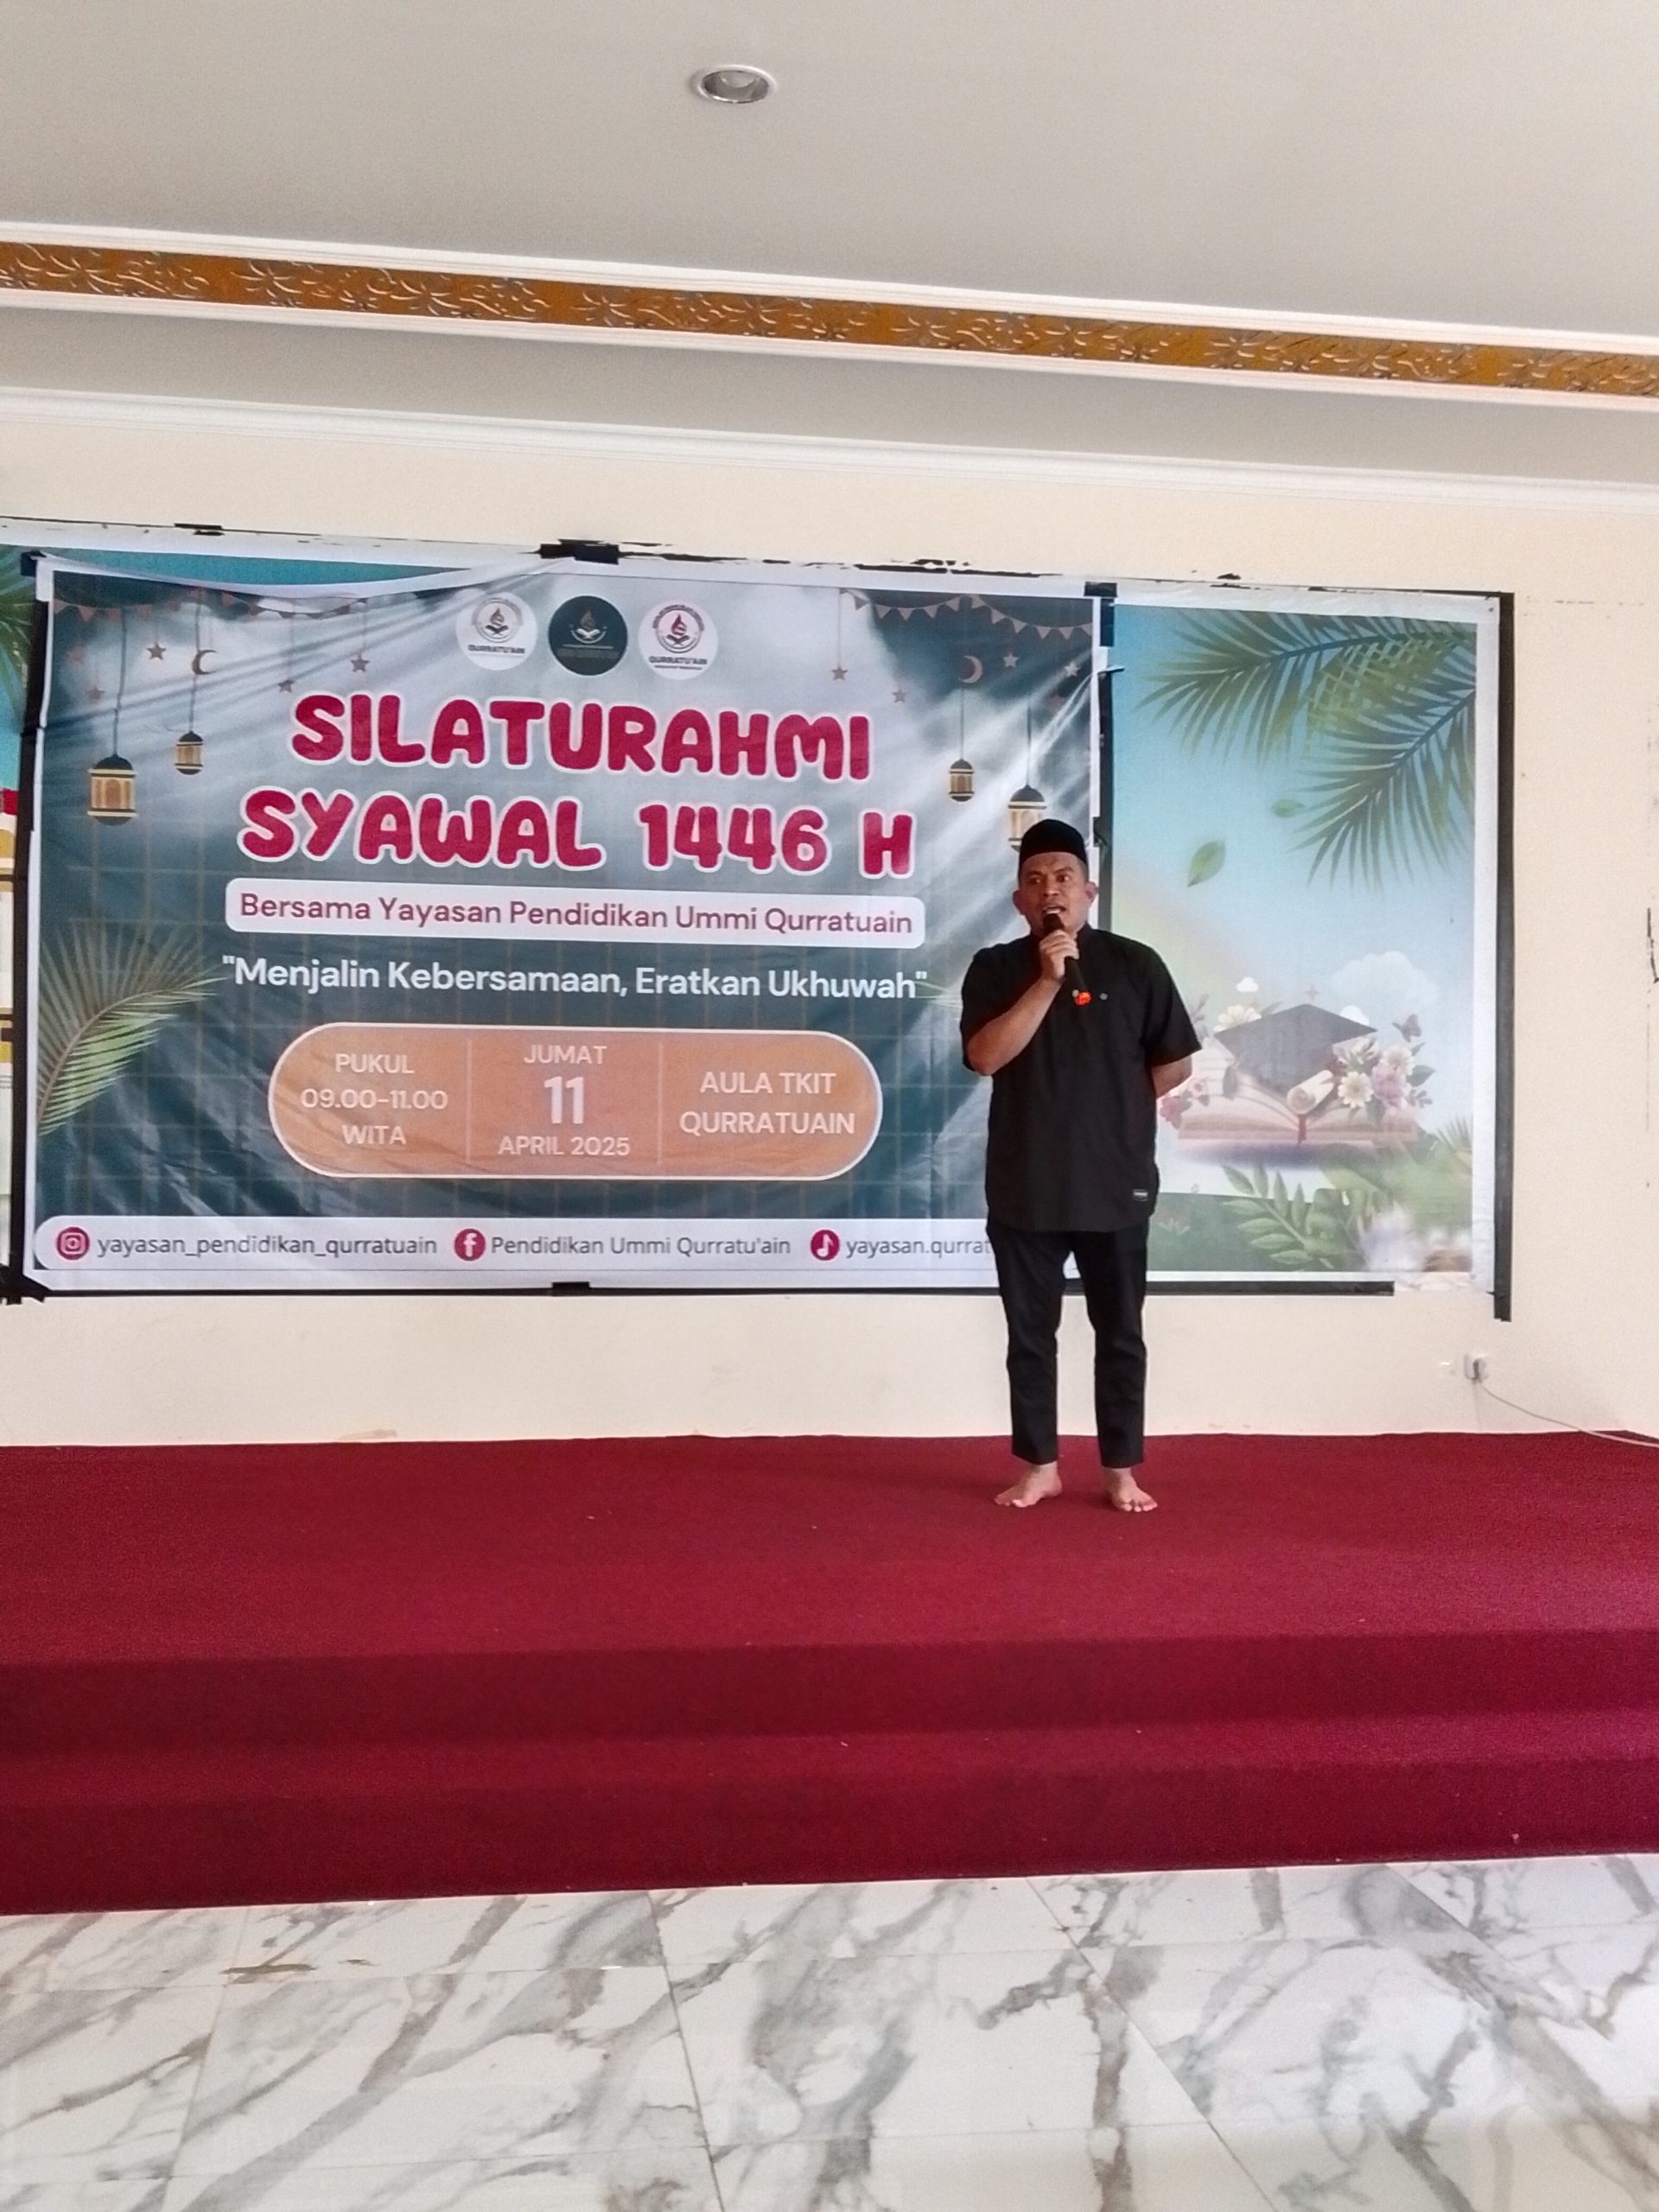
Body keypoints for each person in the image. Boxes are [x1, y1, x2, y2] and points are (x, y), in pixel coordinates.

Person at [961, 819, 1199, 1513]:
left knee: (1120, 1336)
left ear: (1089, 892)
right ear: (1019, 900)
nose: (1050, 891)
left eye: (1064, 878)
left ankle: (1120, 1468)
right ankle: (1040, 1466)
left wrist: (1111, 1109)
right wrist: (1046, 981)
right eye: (1035, 881)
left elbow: (1175, 1063)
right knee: (1029, 1339)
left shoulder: (1136, 964)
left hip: (1114, 1184)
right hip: (1025, 1186)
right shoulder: (995, 969)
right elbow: (985, 1057)